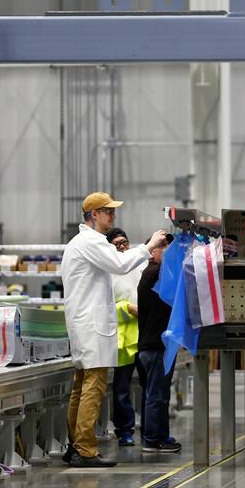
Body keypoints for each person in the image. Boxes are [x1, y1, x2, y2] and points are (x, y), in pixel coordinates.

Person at [61, 191, 168, 468]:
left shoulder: (84, 242)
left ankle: (74, 446)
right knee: (92, 388)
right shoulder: (89, 241)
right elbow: (120, 265)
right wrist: (149, 246)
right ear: (94, 214)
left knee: (81, 388)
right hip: (91, 326)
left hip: (87, 325)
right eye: (108, 211)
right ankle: (84, 450)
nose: (113, 216)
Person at [136, 240, 181, 453]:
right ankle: (154, 439)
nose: (170, 253)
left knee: (155, 394)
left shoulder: (152, 273)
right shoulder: (156, 274)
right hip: (155, 346)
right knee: (157, 394)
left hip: (151, 344)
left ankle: (155, 436)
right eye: (165, 248)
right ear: (153, 251)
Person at [106, 227, 145, 447]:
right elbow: (106, 303)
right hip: (121, 338)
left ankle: (150, 430)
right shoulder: (107, 271)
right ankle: (125, 430)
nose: (122, 246)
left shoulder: (138, 265)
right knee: (121, 389)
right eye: (117, 243)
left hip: (143, 334)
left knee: (149, 386)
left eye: (125, 242)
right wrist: (127, 308)